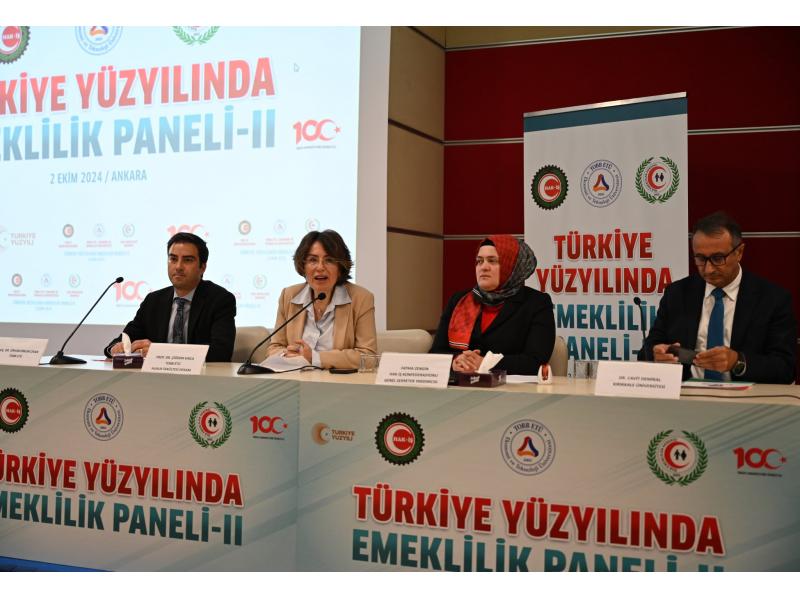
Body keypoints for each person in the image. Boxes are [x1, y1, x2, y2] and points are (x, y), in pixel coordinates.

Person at [641, 211, 796, 383]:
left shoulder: (772, 299)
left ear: (739, 252)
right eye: (701, 258)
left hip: (745, 395)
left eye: (718, 258)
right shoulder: (677, 293)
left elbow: (785, 368)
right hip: (686, 392)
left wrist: (738, 362)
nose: (708, 269)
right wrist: (657, 355)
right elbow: (648, 349)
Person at [430, 234, 555, 375]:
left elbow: (535, 361)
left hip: (512, 387)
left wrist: (486, 363)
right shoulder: (459, 300)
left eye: (492, 261)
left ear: (511, 266)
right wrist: (456, 362)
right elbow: (436, 353)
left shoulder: (536, 303)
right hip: (460, 383)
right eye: (479, 261)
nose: (483, 267)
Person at [104, 232, 236, 362]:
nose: (178, 267)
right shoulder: (153, 301)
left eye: (187, 260)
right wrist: (114, 349)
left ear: (202, 267)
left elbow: (221, 352)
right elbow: (127, 337)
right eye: (173, 259)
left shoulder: (220, 300)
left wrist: (160, 352)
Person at [266, 230, 377, 370]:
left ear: (340, 267)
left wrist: (315, 358)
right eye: (313, 260)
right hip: (295, 378)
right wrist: (287, 355)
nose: (320, 267)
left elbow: (368, 357)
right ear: (303, 266)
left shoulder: (361, 298)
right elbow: (274, 348)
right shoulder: (289, 296)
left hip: (338, 381)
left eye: (329, 260)